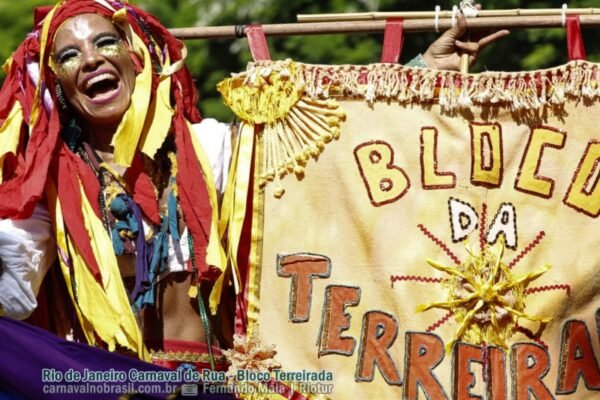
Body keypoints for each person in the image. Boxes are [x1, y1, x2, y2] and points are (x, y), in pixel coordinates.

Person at [0, 0, 507, 371]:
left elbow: (330, 145)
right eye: (70, 55)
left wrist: (420, 71)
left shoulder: (209, 149)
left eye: (105, 42)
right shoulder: (46, 187)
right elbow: (12, 294)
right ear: (58, 86)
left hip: (210, 381)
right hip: (106, 385)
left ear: (138, 58)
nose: (91, 60)